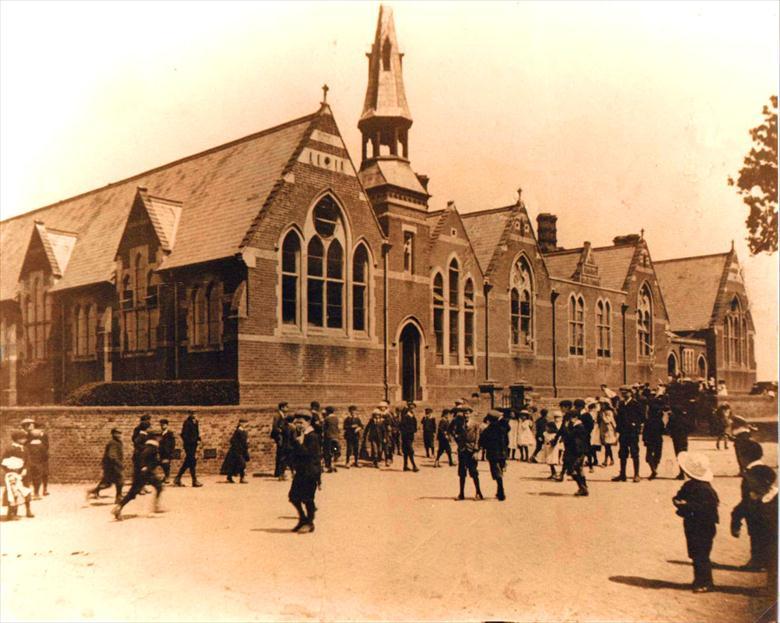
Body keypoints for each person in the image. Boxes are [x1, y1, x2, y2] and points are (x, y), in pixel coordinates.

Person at [672, 452, 719, 593]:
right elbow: (678, 496)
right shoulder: (689, 485)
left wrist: (686, 505)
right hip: (692, 524)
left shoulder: (706, 490)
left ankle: (706, 582)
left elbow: (706, 507)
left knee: (702, 554)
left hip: (704, 526)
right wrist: (677, 501)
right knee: (694, 553)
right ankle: (699, 579)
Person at [738, 465, 778, 596]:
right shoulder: (754, 496)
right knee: (771, 563)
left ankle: (773, 589)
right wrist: (735, 523)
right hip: (765, 537)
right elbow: (740, 509)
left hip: (774, 537)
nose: (749, 486)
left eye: (752, 482)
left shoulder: (775, 499)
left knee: (774, 563)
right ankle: (771, 588)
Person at [729, 439, 766, 570]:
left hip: (755, 512)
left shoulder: (750, 474)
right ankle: (763, 561)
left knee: (756, 536)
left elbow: (747, 500)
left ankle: (757, 562)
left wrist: (736, 516)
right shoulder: (766, 470)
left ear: (745, 457)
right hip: (767, 512)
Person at [112, 429, 164, 520]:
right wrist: (144, 466)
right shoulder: (152, 447)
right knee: (159, 486)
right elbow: (144, 456)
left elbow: (150, 460)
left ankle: (119, 507)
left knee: (133, 493)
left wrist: (158, 462)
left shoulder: (149, 446)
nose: (160, 438)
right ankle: (155, 509)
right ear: (155, 437)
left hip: (141, 473)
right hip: (146, 473)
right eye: (159, 436)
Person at [288, 411, 322, 533]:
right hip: (301, 471)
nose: (298, 425)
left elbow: (308, 454)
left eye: (301, 422)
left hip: (311, 472)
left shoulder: (312, 436)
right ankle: (303, 519)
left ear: (308, 422)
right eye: (296, 422)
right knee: (293, 497)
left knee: (308, 498)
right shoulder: (300, 435)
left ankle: (310, 523)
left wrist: (300, 443)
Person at [612, 386, 644, 482]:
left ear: (631, 393)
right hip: (623, 432)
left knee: (634, 453)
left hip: (632, 432)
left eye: (626, 392)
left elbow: (642, 417)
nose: (624, 394)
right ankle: (622, 474)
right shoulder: (621, 404)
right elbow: (619, 418)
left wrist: (635, 424)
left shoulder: (635, 404)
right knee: (622, 454)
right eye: (622, 392)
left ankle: (636, 474)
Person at [556, 408, 590, 496]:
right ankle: (583, 487)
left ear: (575, 417)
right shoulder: (574, 426)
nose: (569, 420)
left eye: (570, 418)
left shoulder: (579, 427)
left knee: (572, 470)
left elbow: (570, 436)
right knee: (578, 469)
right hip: (573, 451)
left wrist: (566, 428)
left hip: (577, 451)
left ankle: (582, 487)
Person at [452, 407, 483, 500]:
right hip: (462, 450)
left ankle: (478, 493)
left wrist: (476, 451)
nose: (466, 415)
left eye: (468, 413)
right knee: (461, 473)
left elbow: (478, 438)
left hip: (471, 450)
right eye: (465, 414)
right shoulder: (460, 424)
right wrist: (458, 441)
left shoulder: (475, 424)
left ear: (471, 414)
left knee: (473, 472)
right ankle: (461, 494)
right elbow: (455, 434)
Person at [2, 430, 34, 520]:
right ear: (17, 439)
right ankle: (11, 512)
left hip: (23, 475)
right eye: (23, 438)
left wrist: (25, 469)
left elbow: (28, 461)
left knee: (25, 490)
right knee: (12, 492)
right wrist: (10, 472)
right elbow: (3, 462)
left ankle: (28, 510)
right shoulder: (10, 449)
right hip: (13, 474)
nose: (25, 440)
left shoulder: (25, 449)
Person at [86, 428, 124, 503]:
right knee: (119, 481)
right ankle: (118, 498)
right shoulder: (113, 443)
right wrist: (118, 463)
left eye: (120, 433)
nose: (119, 435)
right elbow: (112, 455)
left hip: (112, 465)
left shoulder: (118, 442)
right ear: (113, 434)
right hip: (112, 466)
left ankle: (92, 491)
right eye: (117, 433)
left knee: (108, 483)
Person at [480, 411, 507, 500]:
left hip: (492, 454)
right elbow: (506, 441)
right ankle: (499, 492)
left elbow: (482, 442)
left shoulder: (488, 430)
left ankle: (501, 492)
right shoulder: (502, 429)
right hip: (502, 454)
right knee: (500, 472)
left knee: (496, 473)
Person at [174, 413, 203, 487]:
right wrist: (191, 441)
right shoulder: (187, 423)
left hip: (194, 445)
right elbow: (183, 435)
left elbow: (196, 433)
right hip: (189, 446)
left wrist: (198, 439)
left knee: (188, 461)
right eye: (193, 414)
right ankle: (194, 480)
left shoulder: (196, 422)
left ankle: (178, 478)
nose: (195, 415)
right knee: (192, 461)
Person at [23, 418, 50, 496]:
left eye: (31, 425)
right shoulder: (26, 435)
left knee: (45, 473)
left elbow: (46, 445)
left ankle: (44, 489)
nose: (29, 427)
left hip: (41, 456)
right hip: (32, 457)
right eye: (27, 425)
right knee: (32, 473)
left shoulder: (42, 434)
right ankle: (32, 491)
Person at [221, 418, 250, 483]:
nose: (246, 424)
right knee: (242, 464)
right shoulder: (238, 431)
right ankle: (242, 478)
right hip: (237, 451)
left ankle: (230, 477)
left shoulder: (244, 431)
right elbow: (232, 440)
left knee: (235, 464)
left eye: (246, 423)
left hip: (243, 450)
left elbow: (245, 441)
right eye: (244, 423)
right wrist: (238, 447)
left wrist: (247, 443)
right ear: (240, 423)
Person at [643, 399, 666, 480]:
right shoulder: (660, 421)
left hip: (650, 439)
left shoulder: (648, 421)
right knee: (657, 455)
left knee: (648, 456)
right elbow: (664, 431)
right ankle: (654, 470)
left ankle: (653, 470)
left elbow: (645, 432)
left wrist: (644, 440)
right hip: (658, 439)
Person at [667, 405, 691, 480]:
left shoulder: (673, 419)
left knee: (679, 455)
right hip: (684, 439)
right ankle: (684, 472)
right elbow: (690, 427)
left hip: (677, 439)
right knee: (684, 455)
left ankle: (681, 473)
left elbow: (668, 427)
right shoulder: (685, 419)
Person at [25, 429, 47, 498]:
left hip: (29, 464)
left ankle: (27, 494)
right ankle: (36, 493)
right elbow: (45, 456)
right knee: (37, 479)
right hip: (38, 464)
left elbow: (26, 454)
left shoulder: (28, 445)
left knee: (28, 478)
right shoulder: (42, 446)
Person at [272, 402, 290, 480]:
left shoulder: (283, 415)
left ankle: (278, 472)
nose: (287, 409)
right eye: (286, 407)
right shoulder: (277, 415)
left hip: (282, 437)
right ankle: (279, 472)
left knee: (280, 454)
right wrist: (281, 432)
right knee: (281, 455)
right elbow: (275, 427)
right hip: (280, 437)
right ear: (282, 407)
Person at [399, 404, 419, 472]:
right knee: (410, 451)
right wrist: (412, 430)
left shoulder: (411, 416)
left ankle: (405, 466)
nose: (413, 410)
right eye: (411, 409)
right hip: (406, 436)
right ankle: (414, 466)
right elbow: (403, 426)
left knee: (406, 451)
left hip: (409, 436)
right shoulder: (406, 417)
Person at [322, 406, 341, 473]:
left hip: (329, 438)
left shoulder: (327, 419)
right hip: (336, 437)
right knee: (334, 450)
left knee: (328, 452)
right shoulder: (336, 419)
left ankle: (329, 466)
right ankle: (333, 465)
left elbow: (323, 428)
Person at [599, 400, 617, 466]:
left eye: (602, 404)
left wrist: (602, 415)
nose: (601, 406)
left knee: (607, 446)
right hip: (603, 429)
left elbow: (607, 421)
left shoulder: (609, 412)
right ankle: (610, 460)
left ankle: (606, 460)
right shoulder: (602, 412)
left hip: (608, 430)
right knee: (607, 446)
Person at [159, 419, 175, 483]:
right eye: (161, 425)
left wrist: (171, 450)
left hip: (167, 451)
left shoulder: (170, 433)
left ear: (167, 425)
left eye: (163, 425)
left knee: (167, 464)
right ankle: (166, 476)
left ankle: (167, 477)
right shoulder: (161, 433)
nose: (162, 426)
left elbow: (173, 443)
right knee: (163, 464)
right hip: (162, 451)